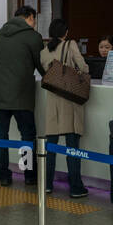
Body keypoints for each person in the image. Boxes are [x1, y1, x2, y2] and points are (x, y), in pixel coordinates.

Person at [0, 5, 45, 187]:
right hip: (21, 94)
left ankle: (3, 175)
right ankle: (28, 175)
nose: (35, 24)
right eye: (34, 19)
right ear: (29, 17)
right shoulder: (33, 37)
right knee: (27, 135)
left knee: (0, 135)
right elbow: (42, 65)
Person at [40, 18, 88, 198]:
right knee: (72, 147)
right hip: (69, 100)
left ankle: (47, 184)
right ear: (65, 32)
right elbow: (83, 67)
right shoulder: (70, 45)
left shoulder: (44, 52)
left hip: (52, 101)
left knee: (50, 147)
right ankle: (75, 187)